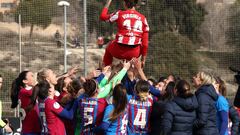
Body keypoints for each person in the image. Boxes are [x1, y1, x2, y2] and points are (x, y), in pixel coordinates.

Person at [100, 0, 149, 66]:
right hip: (134, 53)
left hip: (119, 51)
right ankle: (132, 71)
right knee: (139, 48)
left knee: (109, 47)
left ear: (125, 3)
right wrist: (143, 59)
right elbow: (145, 44)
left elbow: (103, 17)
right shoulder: (143, 18)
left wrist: (108, 1)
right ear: (135, 4)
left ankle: (106, 70)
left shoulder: (119, 13)